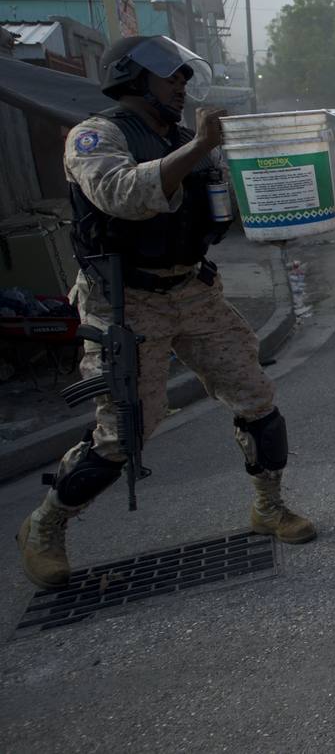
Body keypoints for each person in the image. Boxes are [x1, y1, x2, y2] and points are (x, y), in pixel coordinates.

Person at [15, 35, 316, 591]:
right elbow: (123, 195)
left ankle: (269, 508)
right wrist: (200, 146)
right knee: (124, 432)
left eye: (183, 77)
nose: (180, 86)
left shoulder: (180, 138)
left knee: (257, 399)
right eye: (169, 77)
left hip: (193, 291)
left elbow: (221, 203)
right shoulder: (95, 136)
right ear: (133, 77)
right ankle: (45, 526)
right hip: (126, 301)